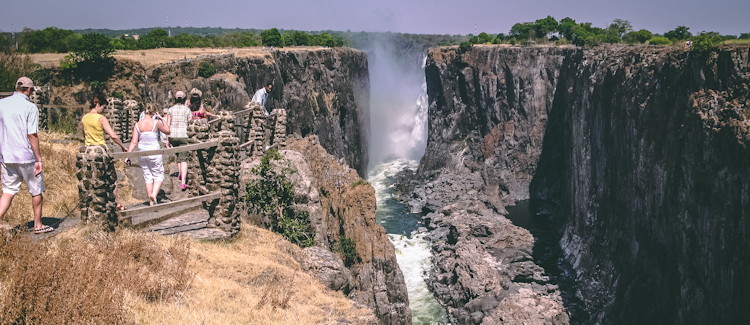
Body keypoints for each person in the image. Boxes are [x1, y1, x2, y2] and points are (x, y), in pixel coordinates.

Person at [0, 77, 53, 234]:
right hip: (25, 155)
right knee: (35, 189)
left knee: (8, 191)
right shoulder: (30, 107)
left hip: (6, 155)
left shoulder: (2, 104)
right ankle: (38, 224)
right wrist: (39, 158)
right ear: (29, 90)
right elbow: (32, 135)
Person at [82, 94, 129, 211]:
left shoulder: (84, 118)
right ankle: (116, 203)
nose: (103, 110)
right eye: (103, 107)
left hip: (88, 151)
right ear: (98, 105)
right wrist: (122, 146)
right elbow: (112, 135)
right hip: (101, 150)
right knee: (112, 179)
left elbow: (84, 134)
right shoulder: (101, 118)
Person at [127, 104, 170, 205]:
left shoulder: (138, 124)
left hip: (142, 152)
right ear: (154, 112)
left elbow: (134, 141)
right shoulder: (156, 123)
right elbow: (168, 131)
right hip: (154, 151)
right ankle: (154, 195)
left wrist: (128, 155)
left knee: (147, 175)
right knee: (159, 175)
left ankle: (151, 201)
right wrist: (162, 119)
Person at [166, 91, 192, 191]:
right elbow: (190, 121)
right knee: (184, 158)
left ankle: (180, 173)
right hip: (183, 135)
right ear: (184, 98)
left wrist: (167, 139)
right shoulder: (187, 110)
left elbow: (168, 125)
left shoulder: (170, 110)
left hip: (173, 135)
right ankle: (183, 182)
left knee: (178, 156)